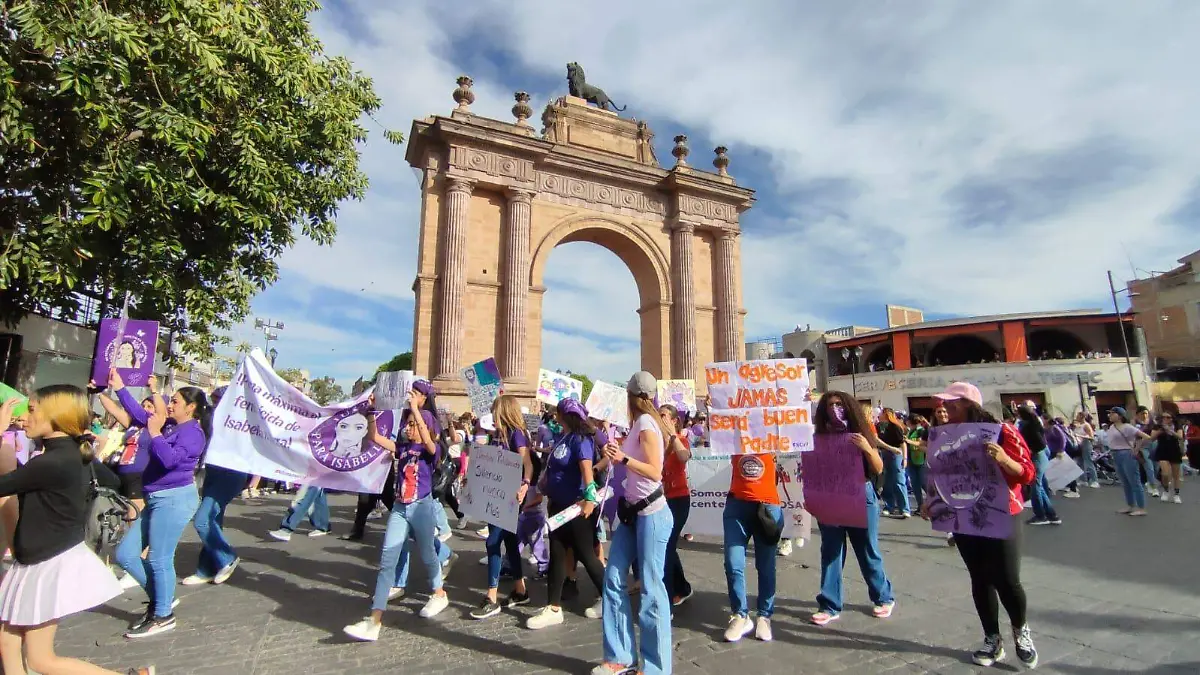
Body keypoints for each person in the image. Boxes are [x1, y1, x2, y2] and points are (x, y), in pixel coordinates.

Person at [0, 391, 155, 675]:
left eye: (32, 409)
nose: (24, 416)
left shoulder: (52, 461)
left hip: (45, 563)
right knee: (8, 642)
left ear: (55, 416)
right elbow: (111, 479)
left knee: (39, 660)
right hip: (45, 557)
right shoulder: (71, 455)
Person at [922, 382, 1038, 668]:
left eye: (952, 402)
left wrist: (1003, 459)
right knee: (980, 578)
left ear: (970, 404)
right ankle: (992, 638)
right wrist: (931, 500)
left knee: (1008, 579)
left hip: (1001, 511)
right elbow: (940, 474)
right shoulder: (942, 436)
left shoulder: (1002, 431)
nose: (945, 407)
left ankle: (1020, 631)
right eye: (944, 402)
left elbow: (1027, 474)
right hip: (963, 516)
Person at [344, 381, 451, 641]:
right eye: (409, 425)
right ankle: (374, 620)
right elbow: (375, 438)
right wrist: (371, 415)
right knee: (387, 560)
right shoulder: (403, 448)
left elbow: (429, 442)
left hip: (422, 508)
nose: (409, 428)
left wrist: (416, 410)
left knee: (427, 553)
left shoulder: (430, 452)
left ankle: (439, 593)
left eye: (413, 425)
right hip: (401, 509)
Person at [113, 369, 211, 639]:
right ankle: (161, 600)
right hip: (156, 498)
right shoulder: (170, 425)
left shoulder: (194, 434)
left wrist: (155, 434)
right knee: (126, 555)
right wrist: (120, 388)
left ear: (191, 408)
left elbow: (169, 460)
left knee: (159, 558)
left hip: (174, 499)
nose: (170, 405)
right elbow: (139, 415)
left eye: (176, 402)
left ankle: (163, 614)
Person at [592, 372, 674, 675]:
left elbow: (654, 471)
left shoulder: (648, 424)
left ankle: (656, 668)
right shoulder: (638, 424)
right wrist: (614, 454)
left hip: (652, 514)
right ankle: (620, 657)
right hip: (631, 512)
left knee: (652, 590)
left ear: (631, 396)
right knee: (613, 579)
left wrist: (623, 459)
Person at [809, 391, 896, 628]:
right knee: (831, 552)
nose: (835, 408)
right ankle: (829, 604)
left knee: (867, 549)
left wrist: (867, 448)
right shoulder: (819, 438)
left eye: (839, 404)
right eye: (830, 405)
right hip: (830, 498)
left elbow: (878, 469)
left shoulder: (861, 433)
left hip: (860, 495)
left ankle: (883, 596)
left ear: (848, 407)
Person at [526, 398, 606, 630]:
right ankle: (553, 608)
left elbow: (586, 471)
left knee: (587, 555)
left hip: (577, 507)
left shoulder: (581, 440)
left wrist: (590, 499)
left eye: (557, 412)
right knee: (558, 555)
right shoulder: (563, 436)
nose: (554, 415)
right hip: (558, 506)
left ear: (565, 415)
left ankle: (611, 599)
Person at [470, 395, 535, 620]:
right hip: (496, 496)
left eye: (494, 411)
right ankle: (520, 590)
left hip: (510, 497)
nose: (492, 416)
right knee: (508, 542)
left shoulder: (517, 434)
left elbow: (527, 464)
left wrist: (525, 485)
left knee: (492, 541)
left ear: (504, 412)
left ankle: (491, 597)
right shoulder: (499, 435)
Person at [183, 385, 248, 586]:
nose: (215, 403)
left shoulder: (241, 423)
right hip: (211, 471)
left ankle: (227, 557)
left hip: (231, 473)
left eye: (218, 399)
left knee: (203, 519)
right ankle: (207, 569)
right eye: (213, 399)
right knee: (214, 521)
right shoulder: (211, 417)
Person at [659, 404, 693, 607]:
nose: (660, 419)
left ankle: (668, 596)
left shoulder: (681, 440)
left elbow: (683, 457)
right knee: (667, 545)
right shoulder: (657, 441)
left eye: (663, 416)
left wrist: (673, 436)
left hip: (679, 499)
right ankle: (682, 587)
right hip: (662, 500)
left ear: (673, 421)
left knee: (668, 545)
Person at [1015, 405, 1060, 526]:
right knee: (1039, 487)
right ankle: (1051, 515)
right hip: (1041, 455)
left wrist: (1030, 450)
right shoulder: (1034, 421)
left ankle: (1041, 515)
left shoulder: (1028, 425)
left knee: (1036, 488)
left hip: (1037, 456)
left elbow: (1039, 443)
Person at [1105, 407, 1151, 516]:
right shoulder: (1112, 427)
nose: (1110, 415)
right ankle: (1130, 505)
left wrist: (1136, 449)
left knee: (1134, 481)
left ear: (1120, 416)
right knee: (1125, 482)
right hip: (1115, 454)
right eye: (1110, 413)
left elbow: (1146, 437)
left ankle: (1141, 507)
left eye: (1112, 413)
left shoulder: (1127, 427)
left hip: (1126, 453)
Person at [877, 408, 909, 518]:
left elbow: (902, 443)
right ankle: (889, 506)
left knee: (899, 481)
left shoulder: (895, 426)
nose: (879, 415)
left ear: (886, 415)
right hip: (883, 454)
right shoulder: (879, 426)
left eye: (881, 413)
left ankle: (904, 508)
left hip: (896, 454)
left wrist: (905, 458)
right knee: (887, 482)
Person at [1149, 411, 1185, 504]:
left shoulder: (1177, 426)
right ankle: (1166, 490)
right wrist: (1161, 431)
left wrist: (1170, 430)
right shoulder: (1157, 426)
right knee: (1165, 474)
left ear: (1172, 419)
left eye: (1168, 417)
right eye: (1164, 417)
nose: (1166, 419)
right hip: (1162, 451)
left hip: (1175, 451)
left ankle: (1176, 494)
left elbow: (1180, 437)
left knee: (1176, 475)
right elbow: (1152, 438)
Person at [905, 415, 930, 510]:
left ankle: (935, 500)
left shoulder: (921, 431)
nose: (906, 422)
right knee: (915, 485)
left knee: (924, 483)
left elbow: (920, 443)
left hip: (921, 460)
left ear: (911, 421)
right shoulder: (910, 431)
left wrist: (908, 441)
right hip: (912, 460)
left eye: (907, 420)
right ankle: (920, 506)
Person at [1071, 412, 1100, 488]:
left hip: (1086, 444)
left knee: (1088, 462)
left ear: (1082, 417)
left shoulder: (1086, 425)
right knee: (1080, 463)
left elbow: (1091, 437)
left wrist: (1079, 435)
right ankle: (1083, 480)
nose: (1076, 417)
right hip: (1079, 445)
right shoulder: (1078, 426)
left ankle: (1095, 481)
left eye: (1078, 416)